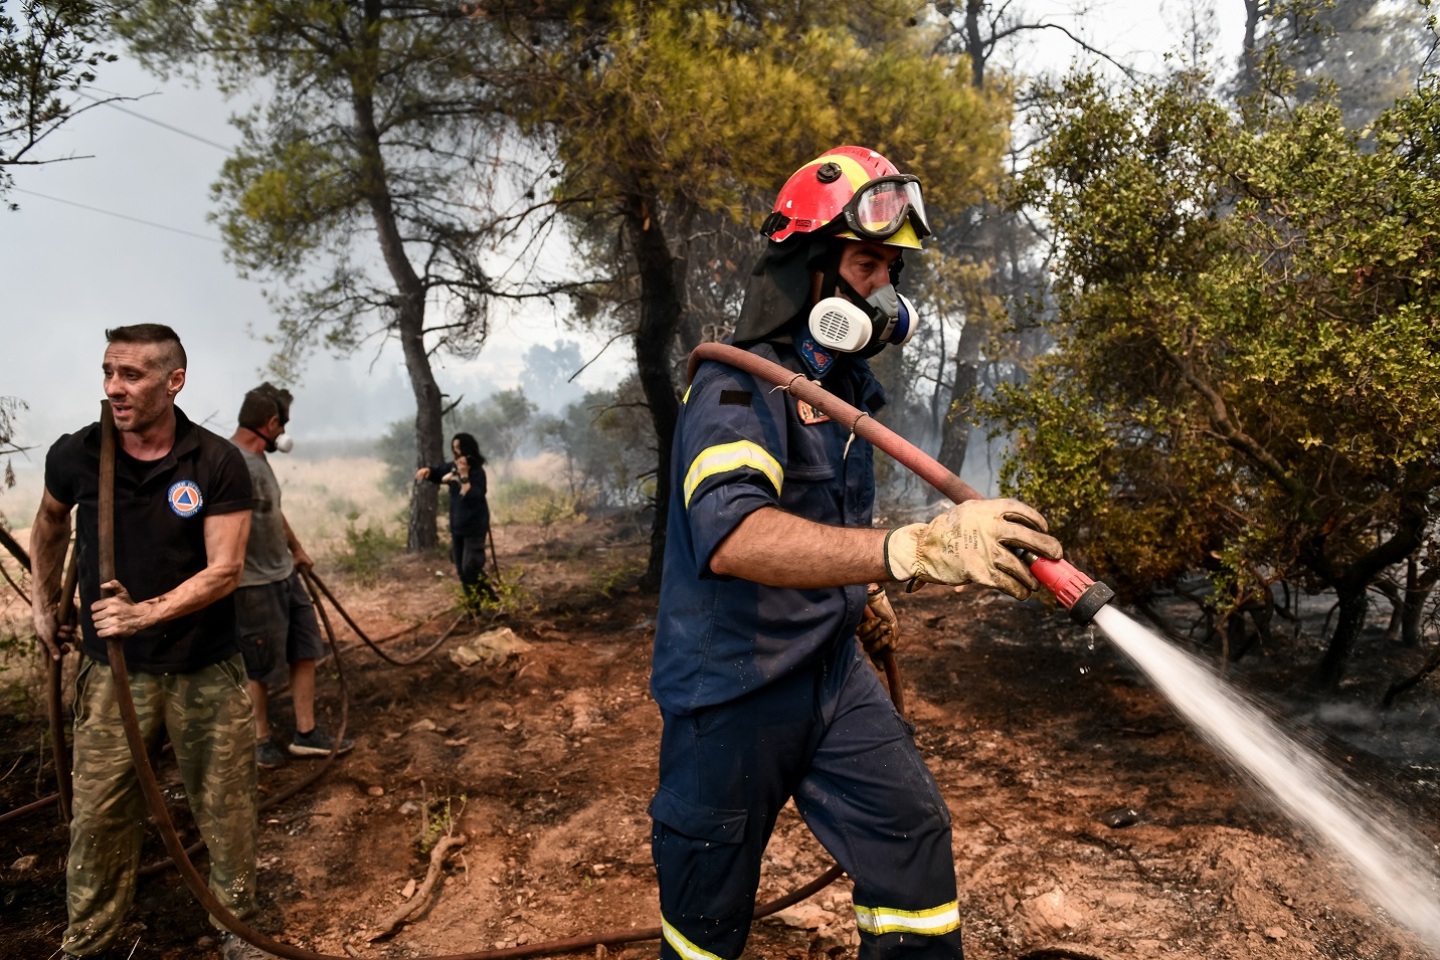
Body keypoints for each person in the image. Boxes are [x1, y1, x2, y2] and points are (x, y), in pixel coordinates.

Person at [649, 146, 1064, 960]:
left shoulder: (842, 393)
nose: (884, 291)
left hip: (830, 673)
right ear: (809, 270)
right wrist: (908, 550)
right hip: (732, 691)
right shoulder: (734, 391)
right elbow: (737, 537)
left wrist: (858, 592)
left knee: (912, 837)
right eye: (868, 264)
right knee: (704, 921)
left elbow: (818, 519)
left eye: (891, 272)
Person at [29, 324, 273, 960]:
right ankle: (87, 940)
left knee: (226, 809)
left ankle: (238, 928)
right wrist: (43, 605)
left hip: (204, 669)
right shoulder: (77, 454)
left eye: (131, 375)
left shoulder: (215, 461)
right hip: (112, 675)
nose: (114, 387)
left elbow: (225, 569)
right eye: (109, 372)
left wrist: (145, 614)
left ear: (174, 381)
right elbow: (50, 523)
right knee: (99, 814)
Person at [230, 383, 354, 768]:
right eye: (283, 425)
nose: (284, 432)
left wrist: (296, 549)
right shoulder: (232, 465)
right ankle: (260, 739)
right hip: (253, 586)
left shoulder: (258, 461)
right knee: (258, 665)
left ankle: (306, 733)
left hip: (284, 575)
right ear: (271, 424)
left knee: (306, 648)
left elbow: (271, 511)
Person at [414, 432, 497, 606]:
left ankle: (491, 601)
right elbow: (439, 473)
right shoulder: (452, 468)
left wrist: (464, 476)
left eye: (459, 448)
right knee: (461, 569)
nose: (456, 452)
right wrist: (428, 472)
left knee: (470, 566)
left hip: (474, 527)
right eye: (454, 448)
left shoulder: (477, 472)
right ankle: (474, 607)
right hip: (458, 526)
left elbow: (474, 495)